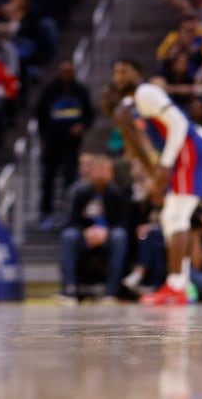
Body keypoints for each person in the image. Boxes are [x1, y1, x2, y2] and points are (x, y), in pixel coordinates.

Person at [109, 59, 202, 306]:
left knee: (176, 218)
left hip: (188, 151)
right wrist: (156, 174)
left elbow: (180, 124)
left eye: (123, 70)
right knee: (170, 219)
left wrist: (164, 166)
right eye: (115, 72)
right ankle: (181, 285)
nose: (118, 76)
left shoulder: (145, 91)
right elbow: (139, 143)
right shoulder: (134, 105)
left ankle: (176, 286)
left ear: (137, 73)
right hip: (186, 153)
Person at [58, 153, 131, 304]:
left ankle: (111, 291)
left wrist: (106, 232)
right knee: (68, 236)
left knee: (120, 236)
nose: (103, 174)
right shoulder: (79, 192)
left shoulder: (117, 193)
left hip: (108, 236)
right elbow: (69, 221)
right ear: (92, 171)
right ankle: (69, 290)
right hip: (84, 235)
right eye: (100, 169)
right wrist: (86, 232)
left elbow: (124, 222)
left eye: (107, 170)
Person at [36, 61, 94, 224]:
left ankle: (69, 214)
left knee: (70, 179)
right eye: (64, 71)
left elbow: (89, 114)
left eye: (70, 71)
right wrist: (44, 137)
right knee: (48, 179)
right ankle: (46, 213)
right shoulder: (50, 90)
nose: (67, 74)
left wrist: (82, 125)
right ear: (59, 72)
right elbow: (40, 115)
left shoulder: (80, 91)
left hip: (71, 143)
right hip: (52, 142)